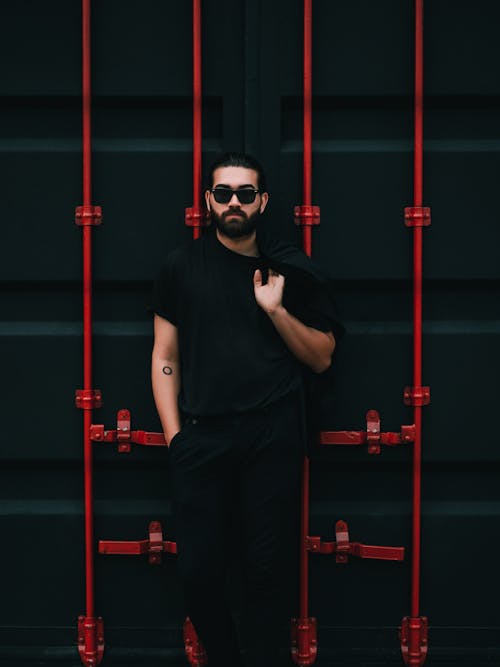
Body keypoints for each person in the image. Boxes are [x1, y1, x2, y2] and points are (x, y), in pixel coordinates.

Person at [150, 152, 344, 667]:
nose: (233, 202)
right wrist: (175, 438)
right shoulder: (180, 267)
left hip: (271, 436)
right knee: (198, 573)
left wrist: (277, 310)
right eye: (222, 193)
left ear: (262, 202)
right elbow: (164, 356)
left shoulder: (290, 270)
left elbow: (322, 359)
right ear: (208, 201)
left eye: (244, 193)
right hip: (202, 436)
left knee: (267, 571)